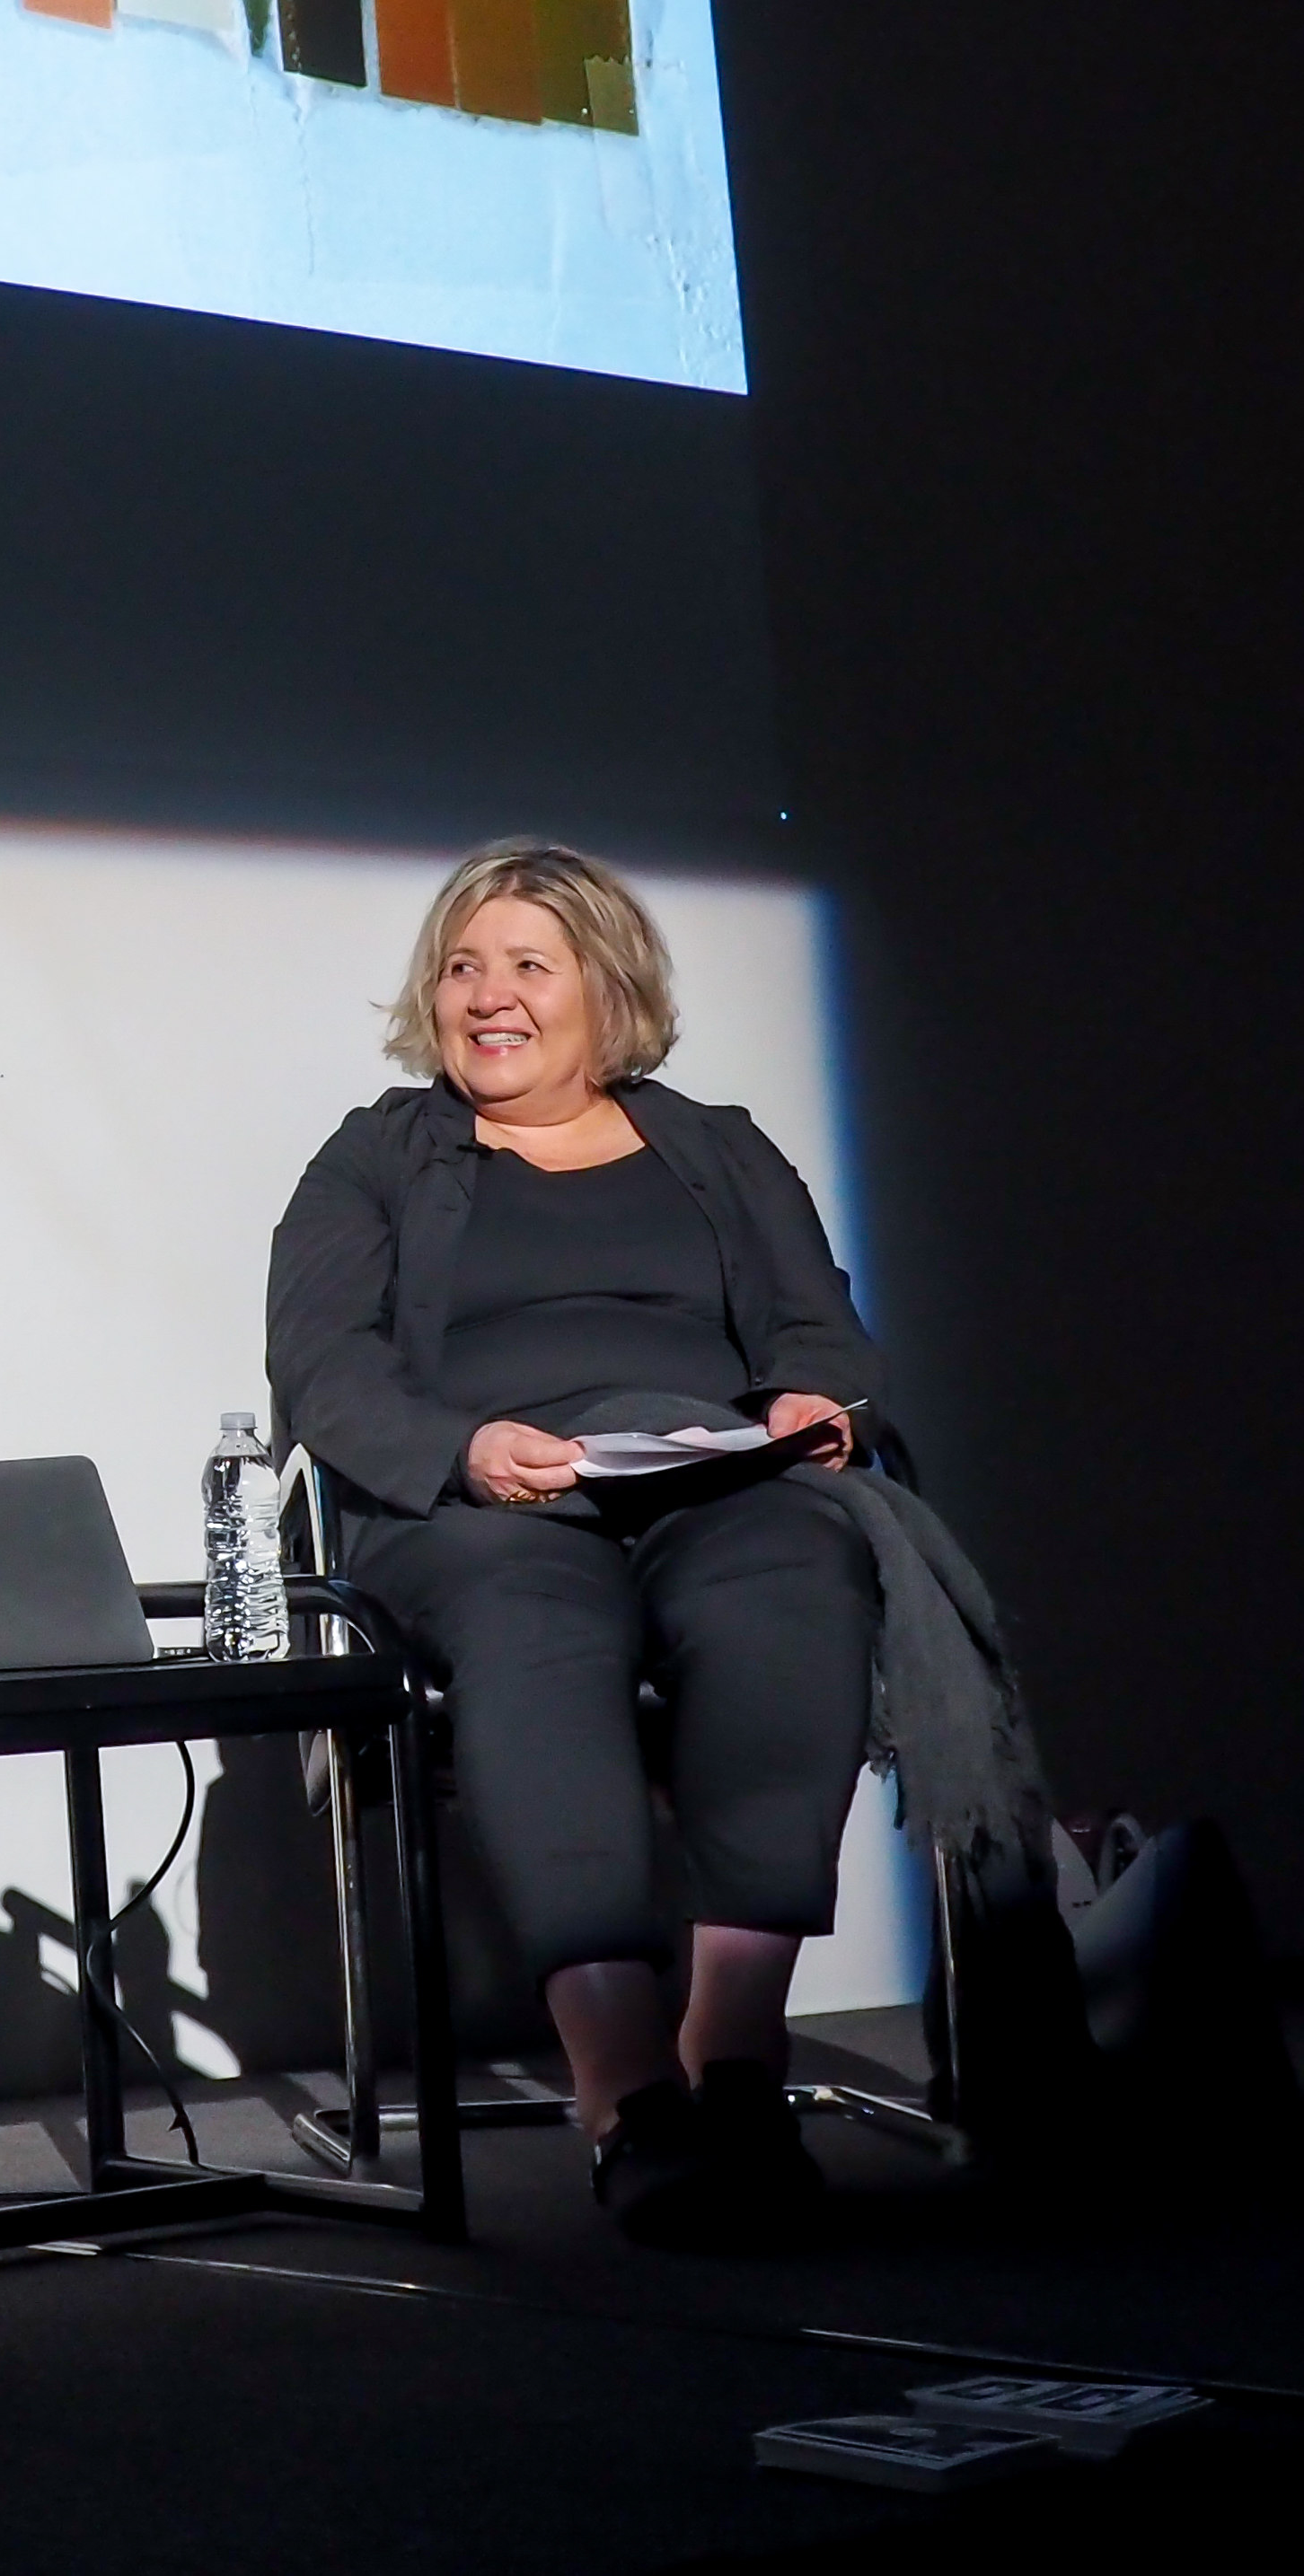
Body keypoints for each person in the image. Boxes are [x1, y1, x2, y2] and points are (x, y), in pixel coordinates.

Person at [267, 840, 886, 2247]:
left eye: (526, 965)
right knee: (532, 1618)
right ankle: (626, 2095)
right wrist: (465, 1449)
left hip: (705, 1471)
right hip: (486, 1498)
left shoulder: (717, 1145)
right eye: (462, 965)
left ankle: (734, 2061)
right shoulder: (377, 1156)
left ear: (606, 989)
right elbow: (324, 1367)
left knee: (797, 1573)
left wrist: (812, 1405)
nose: (486, 994)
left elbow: (819, 1328)